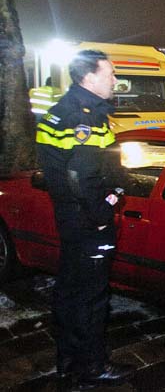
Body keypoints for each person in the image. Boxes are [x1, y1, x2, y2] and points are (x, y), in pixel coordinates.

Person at [35, 50, 135, 387]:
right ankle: (91, 368)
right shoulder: (86, 118)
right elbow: (82, 176)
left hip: (69, 216)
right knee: (91, 299)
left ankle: (69, 362)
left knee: (70, 293)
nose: (114, 79)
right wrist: (103, 216)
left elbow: (58, 172)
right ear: (88, 77)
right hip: (87, 222)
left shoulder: (58, 111)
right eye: (109, 73)